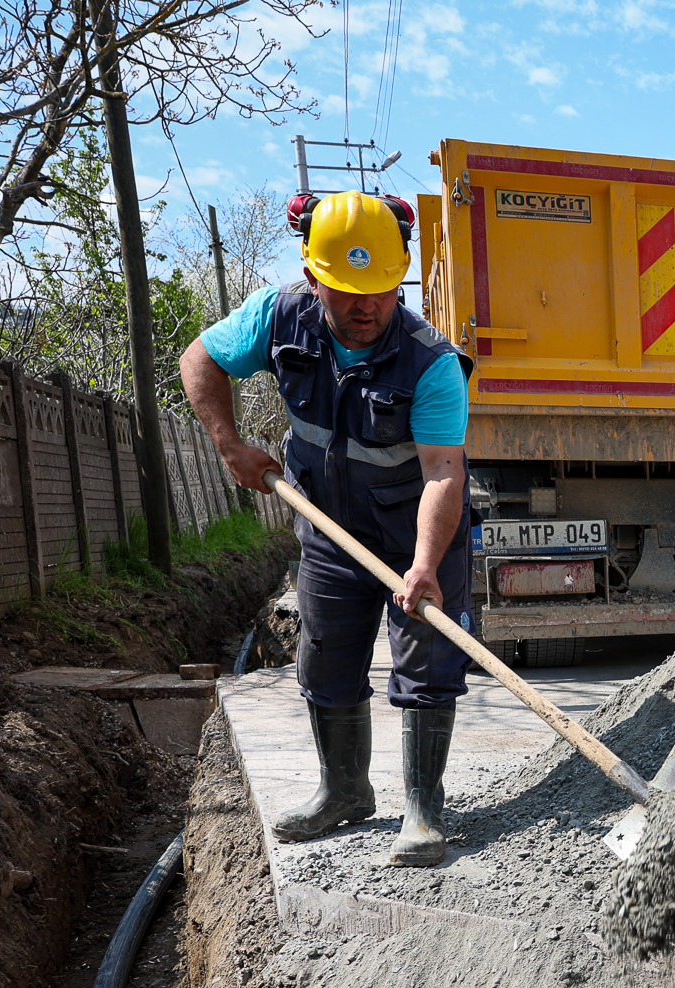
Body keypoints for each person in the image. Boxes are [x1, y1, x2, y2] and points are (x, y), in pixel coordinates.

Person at [179, 189, 474, 867]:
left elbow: (442, 475)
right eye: (347, 291)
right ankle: (344, 790)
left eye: (381, 289)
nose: (366, 306)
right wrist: (230, 447)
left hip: (414, 529)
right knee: (324, 658)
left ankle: (425, 811)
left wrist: (426, 562)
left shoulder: (432, 364)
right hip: (330, 523)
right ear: (314, 277)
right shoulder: (279, 318)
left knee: (428, 662)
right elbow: (200, 360)